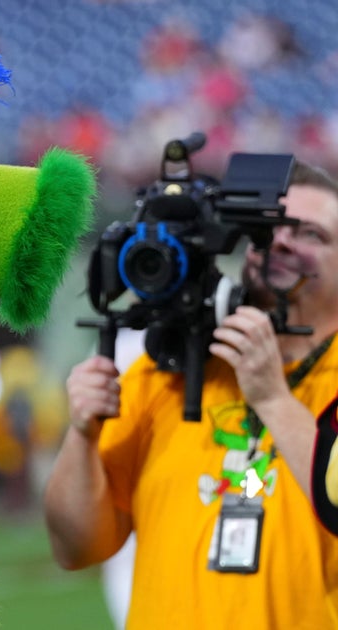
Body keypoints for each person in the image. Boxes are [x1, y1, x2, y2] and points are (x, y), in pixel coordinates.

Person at [43, 161, 338, 629]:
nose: (281, 241)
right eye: (269, 227)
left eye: (310, 235)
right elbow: (76, 548)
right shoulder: (170, 369)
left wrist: (274, 399)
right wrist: (80, 433)